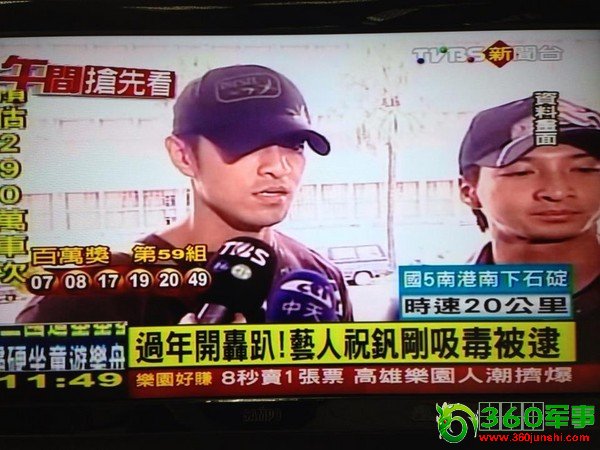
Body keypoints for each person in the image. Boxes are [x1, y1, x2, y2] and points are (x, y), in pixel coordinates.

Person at [16, 64, 353, 325]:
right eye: (248, 144)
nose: (278, 167)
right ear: (183, 156)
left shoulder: (320, 276)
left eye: (294, 145)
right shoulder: (86, 294)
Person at [457, 95, 600, 362]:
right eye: (521, 172)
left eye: (584, 169)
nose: (557, 191)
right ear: (469, 191)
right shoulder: (431, 309)